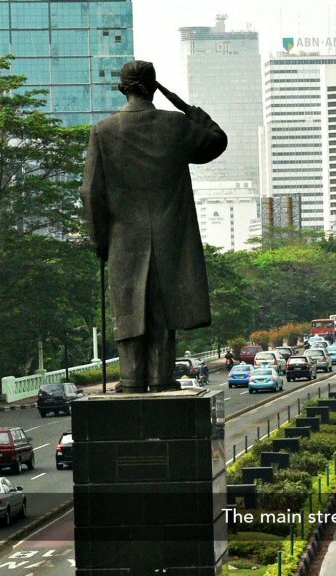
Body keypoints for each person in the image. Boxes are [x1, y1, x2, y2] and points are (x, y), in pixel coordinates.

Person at [82, 61, 228, 394]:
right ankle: (161, 377)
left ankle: (131, 379)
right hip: (169, 237)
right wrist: (184, 106)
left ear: (123, 87)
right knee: (162, 311)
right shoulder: (175, 126)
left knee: (129, 310)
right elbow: (217, 140)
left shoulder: (103, 132)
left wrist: (99, 240)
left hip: (123, 239)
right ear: (153, 86)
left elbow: (90, 191)